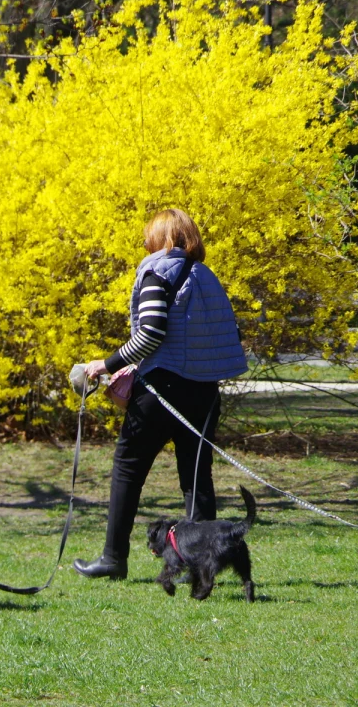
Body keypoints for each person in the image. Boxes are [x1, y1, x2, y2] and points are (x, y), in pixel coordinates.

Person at [73, 209, 248, 580]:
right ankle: (200, 563)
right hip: (204, 391)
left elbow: (151, 332)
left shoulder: (157, 272)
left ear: (161, 239)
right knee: (196, 476)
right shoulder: (207, 277)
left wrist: (106, 364)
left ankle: (113, 558)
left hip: (160, 390)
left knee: (127, 468)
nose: (145, 244)